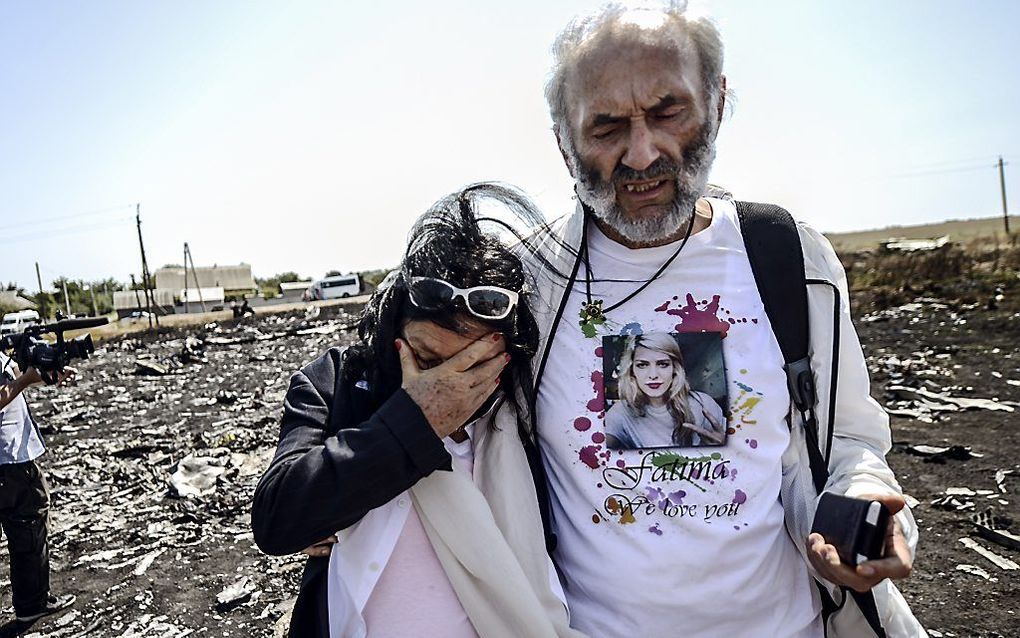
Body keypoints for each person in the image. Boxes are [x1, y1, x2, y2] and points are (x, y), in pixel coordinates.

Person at [518, 3, 924, 637]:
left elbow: (848, 441)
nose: (641, 152)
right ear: (563, 138)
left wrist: (864, 505)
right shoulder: (528, 283)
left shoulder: (788, 257)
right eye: (605, 126)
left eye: (667, 111)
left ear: (716, 100)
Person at [251, 184, 584, 638]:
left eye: (470, 367)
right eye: (426, 360)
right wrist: (414, 422)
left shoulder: (527, 405)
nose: (446, 384)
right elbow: (278, 520)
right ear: (395, 331)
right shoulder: (339, 385)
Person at [0, 352, 76, 624]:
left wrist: (43, 378)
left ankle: (31, 599)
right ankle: (32, 603)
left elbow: (12, 383)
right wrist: (24, 381)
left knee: (26, 527)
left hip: (10, 458)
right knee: (28, 526)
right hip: (9, 461)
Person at [604, 332, 724, 449]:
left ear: (674, 368)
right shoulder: (619, 413)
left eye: (662, 364)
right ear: (632, 371)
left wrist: (724, 446)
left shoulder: (703, 403)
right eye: (642, 365)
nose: (653, 375)